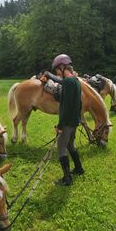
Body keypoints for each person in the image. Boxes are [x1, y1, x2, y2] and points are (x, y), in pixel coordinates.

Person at [41, 54, 84, 186]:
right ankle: (79, 168)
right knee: (70, 145)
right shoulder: (76, 81)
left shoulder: (67, 82)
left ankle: (67, 179)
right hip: (74, 121)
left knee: (61, 147)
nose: (57, 74)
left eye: (57, 71)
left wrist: (60, 125)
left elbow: (65, 107)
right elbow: (79, 103)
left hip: (67, 123)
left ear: (62, 67)